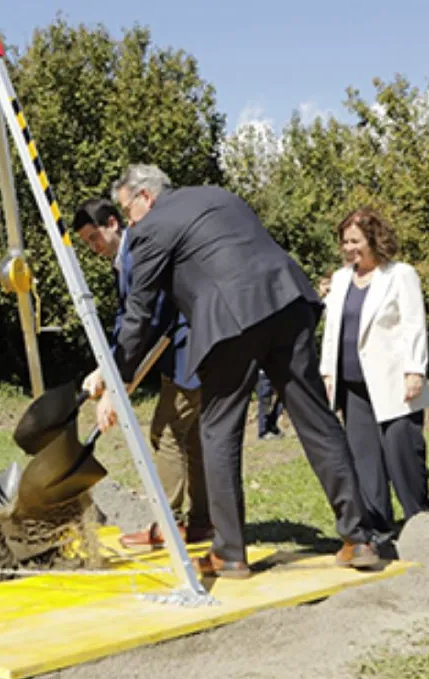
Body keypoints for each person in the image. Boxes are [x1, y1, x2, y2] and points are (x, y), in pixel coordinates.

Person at [89, 164, 380, 580]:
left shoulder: (151, 227)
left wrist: (117, 382)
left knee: (218, 431)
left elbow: (140, 312)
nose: (129, 222)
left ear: (145, 198)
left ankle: (228, 553)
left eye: (127, 210)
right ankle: (359, 539)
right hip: (288, 301)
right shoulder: (218, 195)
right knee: (316, 420)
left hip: (229, 320)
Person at [73, 198, 211, 549]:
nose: (94, 247)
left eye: (94, 237)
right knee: (191, 437)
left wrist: (117, 383)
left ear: (112, 224)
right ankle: (201, 521)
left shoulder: (139, 255)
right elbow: (126, 322)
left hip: (188, 351)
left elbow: (147, 319)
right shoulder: (123, 262)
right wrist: (104, 367)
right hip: (179, 355)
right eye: (87, 243)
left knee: (166, 432)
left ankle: (169, 524)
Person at [320, 208, 429, 543]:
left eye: (355, 241)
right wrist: (327, 372)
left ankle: (422, 526)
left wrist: (415, 371)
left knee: (404, 459)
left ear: (374, 240)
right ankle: (379, 534)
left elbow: (414, 324)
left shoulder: (400, 275)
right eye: (345, 242)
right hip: (352, 387)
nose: (348, 248)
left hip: (394, 385)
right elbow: (333, 331)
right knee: (365, 464)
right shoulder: (340, 280)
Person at [256, 369, 284, 440]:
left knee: (283, 398)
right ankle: (263, 431)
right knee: (265, 402)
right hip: (263, 374)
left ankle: (271, 425)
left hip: (276, 372)